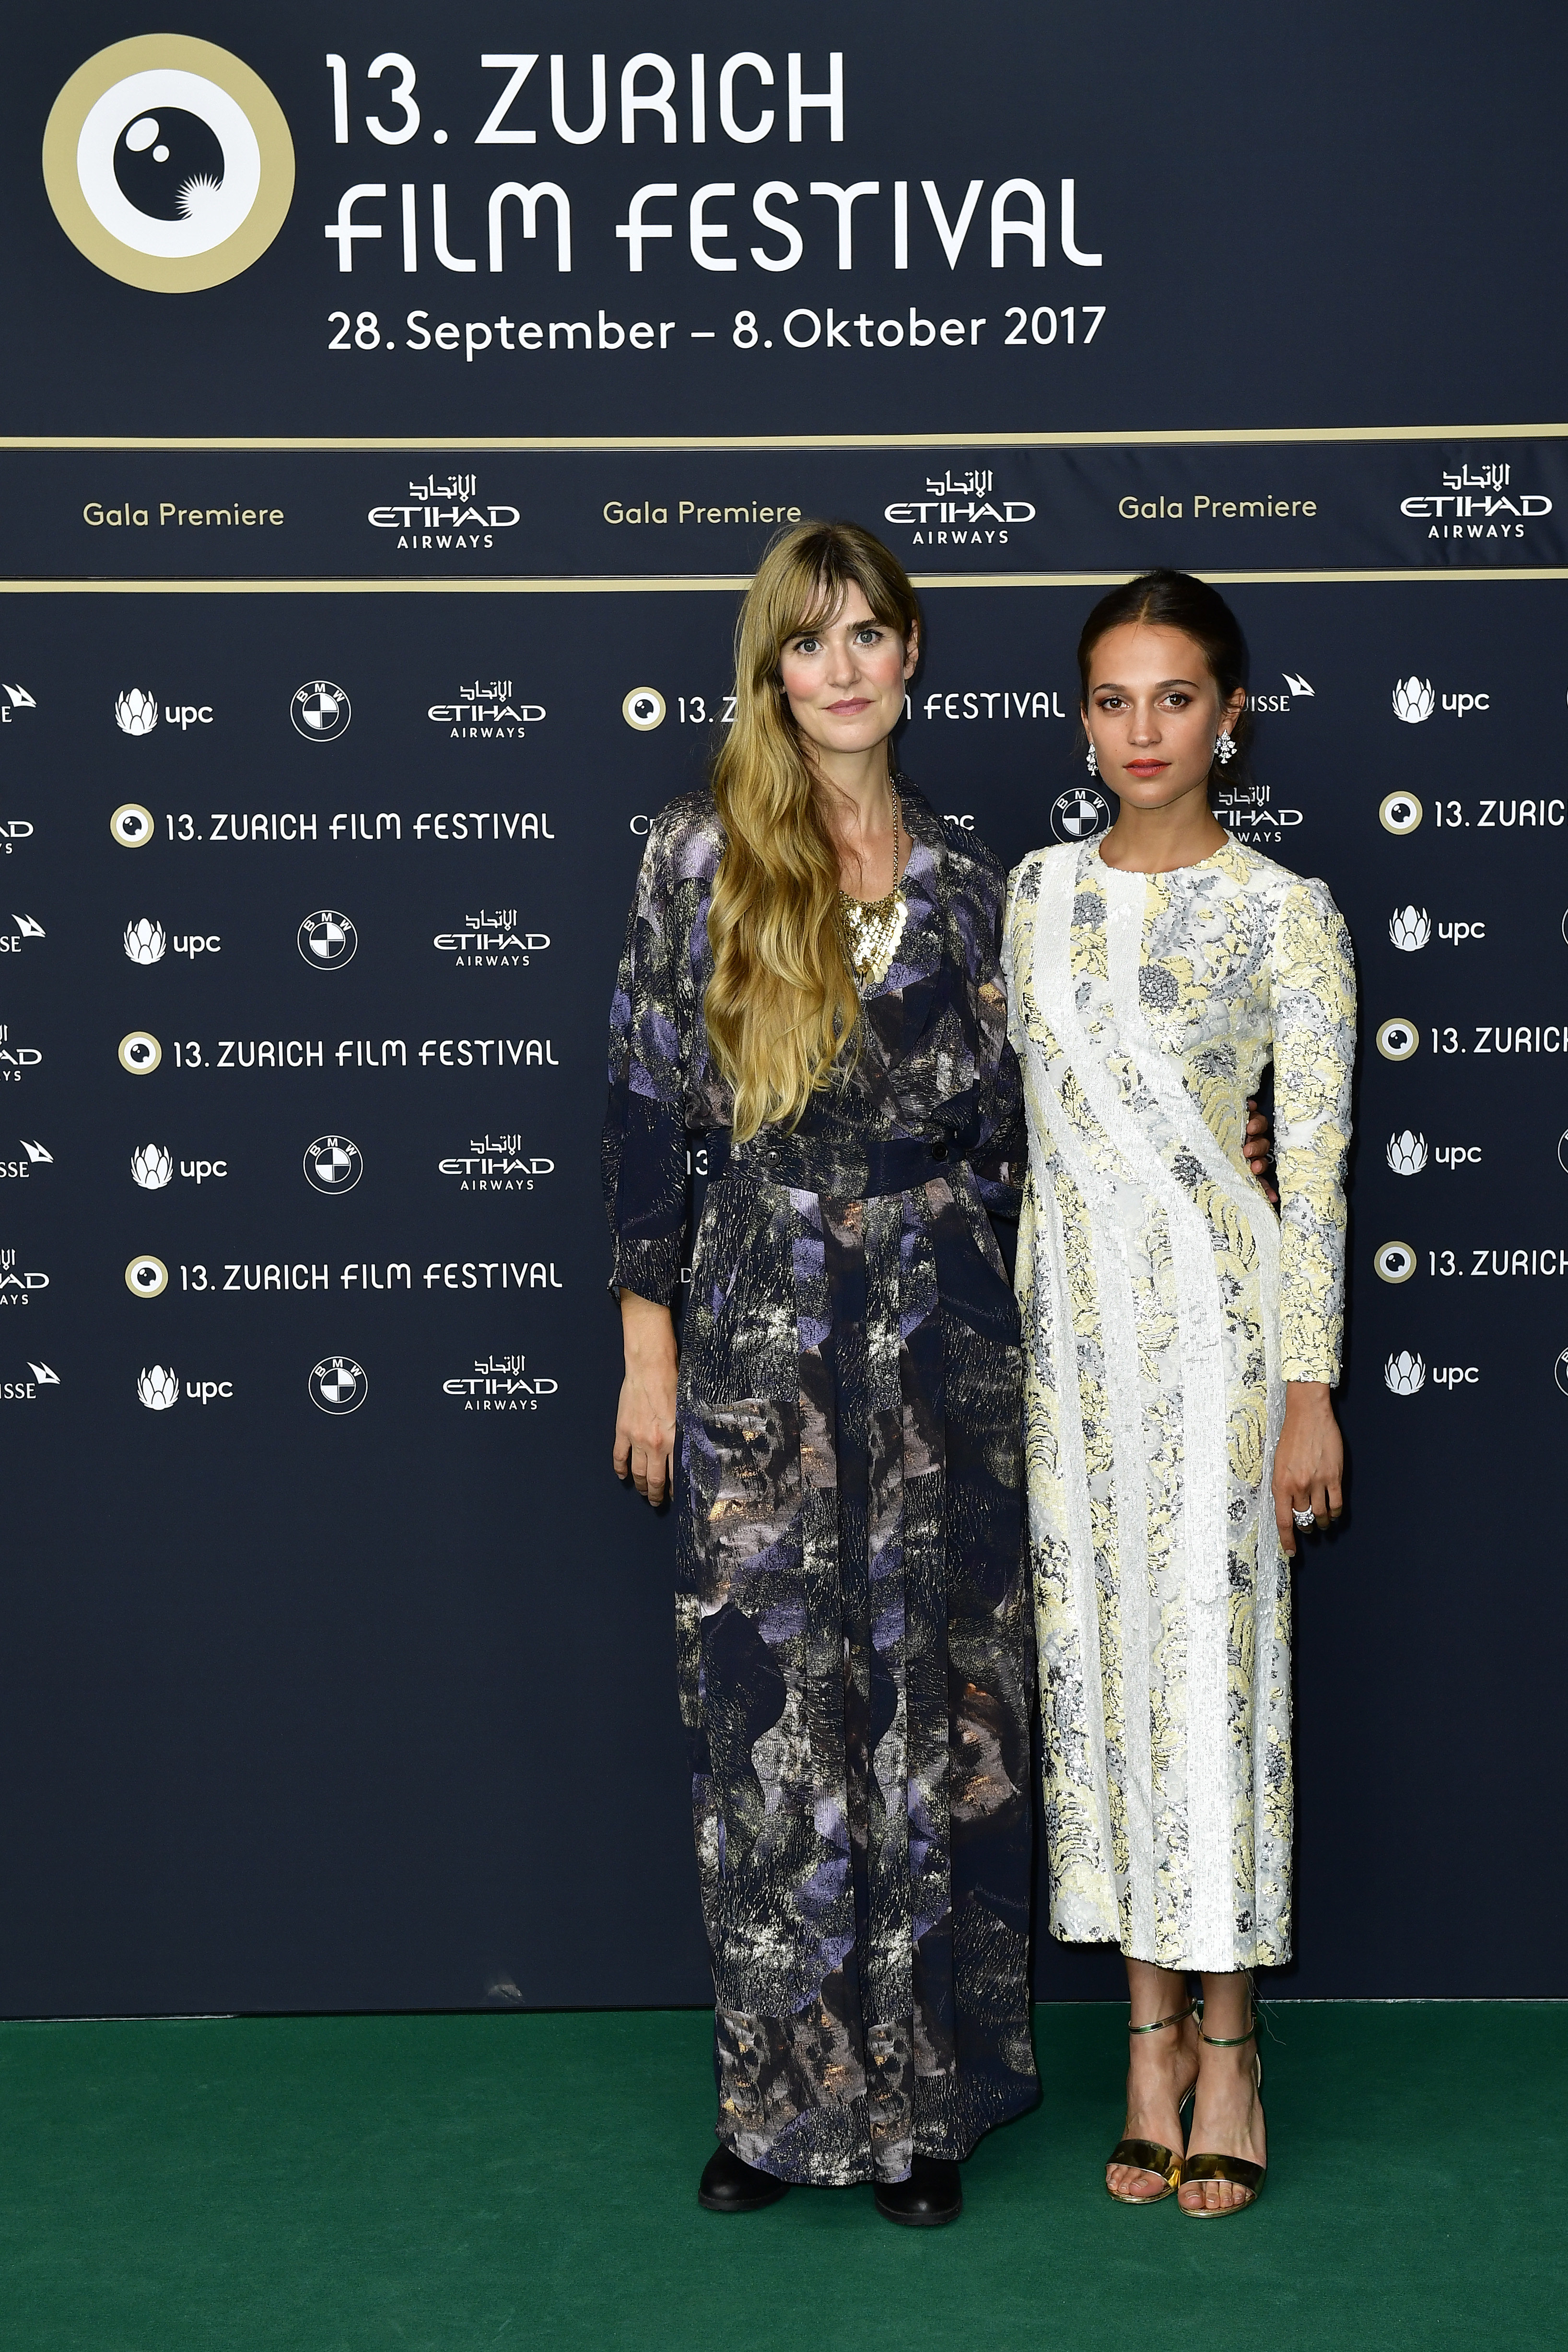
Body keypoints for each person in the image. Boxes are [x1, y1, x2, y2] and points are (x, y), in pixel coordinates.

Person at [603, 521, 1039, 2227]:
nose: (841, 667)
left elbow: (1022, 1132)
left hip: (945, 1330)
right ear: (772, 669)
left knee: (934, 1704)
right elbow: (645, 1107)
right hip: (758, 1322)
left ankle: (922, 2109)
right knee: (772, 1717)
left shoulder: (974, 876)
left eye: (868, 634)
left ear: (912, 654)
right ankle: (781, 2108)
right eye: (809, 640)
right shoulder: (697, 853)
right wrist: (646, 1353)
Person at [1004, 569, 1355, 2218]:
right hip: (1068, 1364)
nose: (1142, 730)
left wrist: (1309, 1390)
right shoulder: (1030, 894)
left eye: (1175, 697)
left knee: (1215, 1692)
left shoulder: (1288, 913)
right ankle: (1145, 2045)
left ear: (1231, 716)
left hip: (1222, 1359)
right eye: (1113, 698)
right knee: (1104, 1685)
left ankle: (1231, 2048)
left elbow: (1317, 1169)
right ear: (1082, 718)